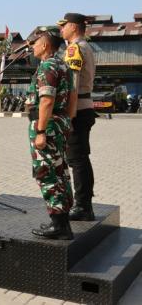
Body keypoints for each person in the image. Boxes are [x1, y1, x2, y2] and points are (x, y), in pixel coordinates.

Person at [26, 29, 75, 240]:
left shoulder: (47, 66)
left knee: (47, 173)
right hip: (60, 123)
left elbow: (46, 100)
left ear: (45, 44)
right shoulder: (63, 65)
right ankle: (62, 223)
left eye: (34, 42)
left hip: (48, 125)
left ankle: (59, 226)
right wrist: (67, 121)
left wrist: (41, 131)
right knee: (60, 172)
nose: (31, 46)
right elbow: (72, 96)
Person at [58, 13, 97, 222]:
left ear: (73, 27)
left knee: (77, 160)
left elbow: (72, 86)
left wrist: (68, 115)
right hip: (83, 107)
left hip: (77, 109)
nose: (61, 30)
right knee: (80, 158)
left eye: (63, 26)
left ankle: (83, 206)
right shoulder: (83, 46)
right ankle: (84, 203)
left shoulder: (75, 48)